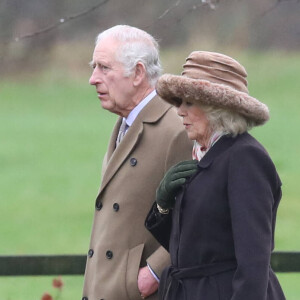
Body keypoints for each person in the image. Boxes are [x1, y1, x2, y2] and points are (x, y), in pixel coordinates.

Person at [145, 51, 286, 300]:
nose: (179, 112)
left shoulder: (244, 158)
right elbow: (190, 251)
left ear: (217, 108)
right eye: (179, 102)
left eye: (189, 103)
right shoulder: (204, 155)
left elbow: (253, 261)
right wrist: (163, 207)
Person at [82, 25, 193, 300]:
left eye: (104, 68)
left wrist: (153, 273)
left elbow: (198, 218)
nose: (93, 79)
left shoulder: (177, 129)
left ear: (138, 73)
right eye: (94, 66)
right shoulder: (124, 122)